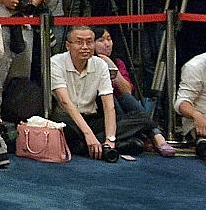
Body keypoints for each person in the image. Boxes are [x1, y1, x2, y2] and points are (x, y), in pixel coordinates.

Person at [49, 26, 159, 160]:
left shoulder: (100, 64)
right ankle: (102, 144)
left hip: (92, 119)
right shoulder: (56, 62)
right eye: (79, 42)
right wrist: (88, 134)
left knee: (143, 118)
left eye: (89, 42)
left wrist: (110, 139)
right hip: (67, 120)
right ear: (68, 45)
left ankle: (99, 145)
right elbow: (65, 101)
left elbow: (109, 105)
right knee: (66, 131)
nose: (85, 47)